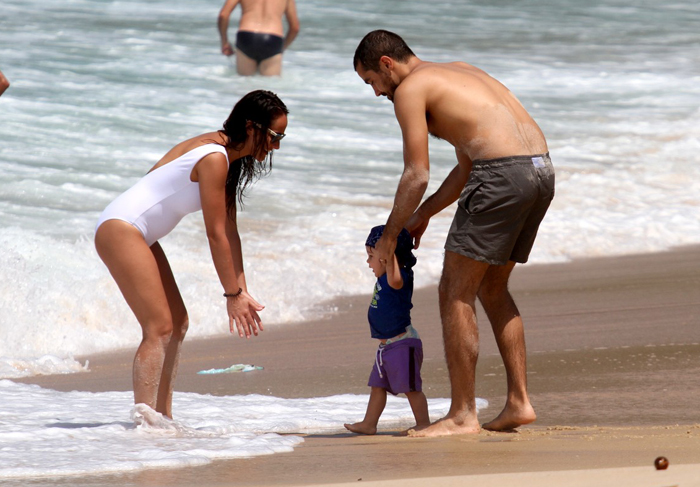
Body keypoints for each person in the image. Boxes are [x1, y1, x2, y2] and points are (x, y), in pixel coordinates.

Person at [353, 30, 555, 437]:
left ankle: (463, 414)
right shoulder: (459, 71)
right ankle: (519, 402)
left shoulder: (411, 89)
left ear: (387, 64)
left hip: (502, 175)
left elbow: (416, 173)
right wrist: (424, 215)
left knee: (454, 290)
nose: (376, 93)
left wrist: (391, 234)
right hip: (540, 170)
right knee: (493, 289)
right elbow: (466, 168)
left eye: (371, 81)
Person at [94, 90, 289, 419]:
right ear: (253, 128)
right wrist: (230, 294)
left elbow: (230, 232)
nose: (277, 147)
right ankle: (144, 424)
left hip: (137, 232)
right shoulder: (214, 157)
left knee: (178, 322)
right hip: (121, 229)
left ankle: (162, 419)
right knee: (159, 327)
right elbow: (214, 235)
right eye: (275, 136)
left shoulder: (221, 155)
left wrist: (242, 290)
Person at [344, 225, 430, 435]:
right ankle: (369, 423)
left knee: (411, 388)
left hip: (402, 344)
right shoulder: (383, 279)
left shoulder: (399, 278)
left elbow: (396, 279)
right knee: (378, 387)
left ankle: (423, 423)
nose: (368, 262)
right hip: (387, 348)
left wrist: (389, 254)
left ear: (386, 257)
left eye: (371, 256)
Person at [218, 0, 300, 76]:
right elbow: (295, 28)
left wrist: (224, 41)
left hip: (247, 36)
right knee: (270, 87)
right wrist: (282, 48)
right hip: (273, 37)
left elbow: (223, 15)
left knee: (244, 86)